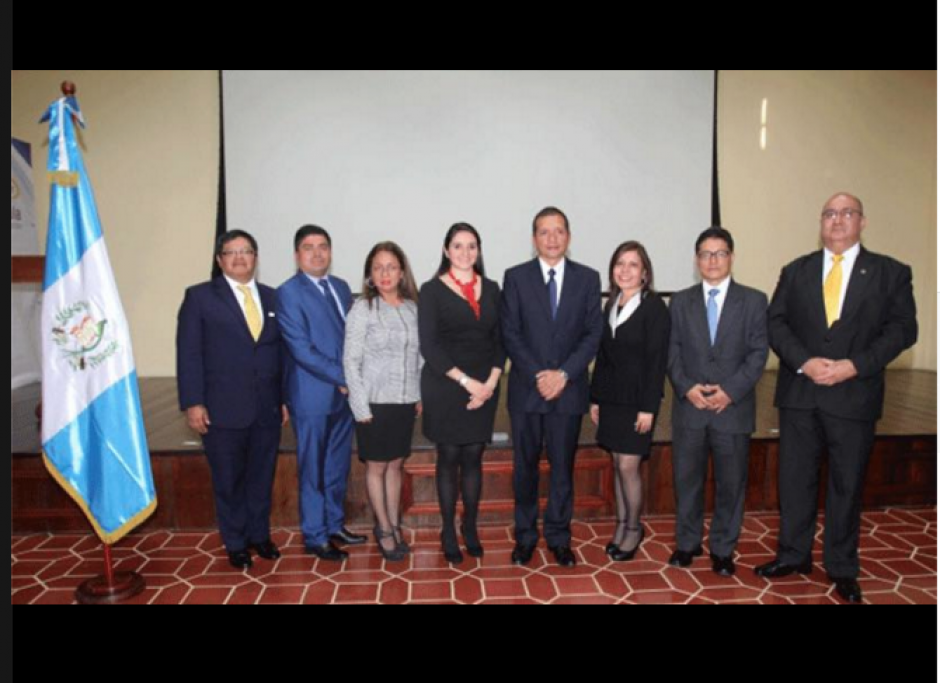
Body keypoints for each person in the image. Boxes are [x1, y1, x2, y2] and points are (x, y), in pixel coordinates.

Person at [756, 193, 918, 603]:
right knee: (794, 481)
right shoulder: (795, 271)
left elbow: (902, 330)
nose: (838, 220)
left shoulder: (890, 273)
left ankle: (842, 566)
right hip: (800, 393)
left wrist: (855, 365)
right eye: (830, 213)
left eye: (847, 213)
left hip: (854, 395)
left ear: (862, 221)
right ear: (820, 222)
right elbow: (776, 325)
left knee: (847, 485)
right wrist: (804, 362)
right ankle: (793, 555)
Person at [176, 230, 288, 570]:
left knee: (261, 477)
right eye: (231, 252)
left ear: (256, 257)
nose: (240, 258)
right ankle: (236, 542)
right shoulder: (199, 298)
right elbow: (189, 354)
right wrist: (193, 402)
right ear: (219, 259)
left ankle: (259, 535)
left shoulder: (272, 297)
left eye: (246, 251)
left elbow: (278, 353)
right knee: (228, 480)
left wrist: (282, 398)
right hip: (221, 409)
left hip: (266, 408)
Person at [501, 207, 603, 567]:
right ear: (534, 239)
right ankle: (525, 537)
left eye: (559, 231)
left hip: (570, 390)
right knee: (524, 468)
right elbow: (510, 332)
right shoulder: (515, 277)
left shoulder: (589, 279)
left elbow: (593, 334)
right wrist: (540, 375)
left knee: (562, 469)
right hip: (526, 392)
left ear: (569, 236)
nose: (552, 238)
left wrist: (563, 374)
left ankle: (559, 537)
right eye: (544, 232)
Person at [666, 227, 769, 576]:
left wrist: (730, 390)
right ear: (697, 260)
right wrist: (686, 387)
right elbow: (672, 351)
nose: (713, 260)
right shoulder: (679, 301)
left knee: (731, 484)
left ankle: (723, 549)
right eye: (706, 254)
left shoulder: (754, 301)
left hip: (733, 409)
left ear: (732, 257)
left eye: (720, 253)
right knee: (687, 481)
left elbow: (758, 354)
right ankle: (687, 543)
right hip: (689, 409)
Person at [277, 225, 366, 563]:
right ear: (297, 254)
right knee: (312, 467)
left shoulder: (342, 287)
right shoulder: (288, 293)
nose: (317, 253)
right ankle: (315, 535)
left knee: (336, 465)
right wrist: (347, 376)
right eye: (308, 247)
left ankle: (334, 524)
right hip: (311, 395)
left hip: (344, 398)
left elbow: (353, 338)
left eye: (323, 246)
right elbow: (302, 350)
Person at [419, 223, 505, 564]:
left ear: (479, 251)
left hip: (486, 386)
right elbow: (430, 346)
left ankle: (470, 527)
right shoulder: (430, 290)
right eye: (458, 246)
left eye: (472, 246)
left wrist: (491, 383)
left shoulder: (494, 289)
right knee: (449, 458)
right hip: (447, 385)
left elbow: (502, 340)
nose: (465, 252)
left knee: (473, 458)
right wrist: (468, 383)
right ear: (446, 250)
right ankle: (447, 530)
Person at [589, 241, 670, 562]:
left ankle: (634, 529)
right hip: (611, 401)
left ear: (645, 272)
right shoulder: (610, 305)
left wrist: (649, 408)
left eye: (632, 265)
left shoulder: (654, 308)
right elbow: (603, 357)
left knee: (628, 465)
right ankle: (622, 524)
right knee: (616, 463)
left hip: (638, 403)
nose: (625, 270)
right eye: (619, 264)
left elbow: (657, 361)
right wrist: (594, 398)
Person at [344, 242, 422, 563]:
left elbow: (420, 356)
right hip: (374, 403)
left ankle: (395, 524)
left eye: (391, 267)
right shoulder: (363, 309)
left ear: (402, 272)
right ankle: (384, 529)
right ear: (369, 275)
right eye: (378, 267)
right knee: (376, 466)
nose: (385, 273)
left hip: (404, 401)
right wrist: (360, 406)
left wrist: (419, 394)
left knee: (395, 465)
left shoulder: (412, 309)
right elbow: (350, 360)